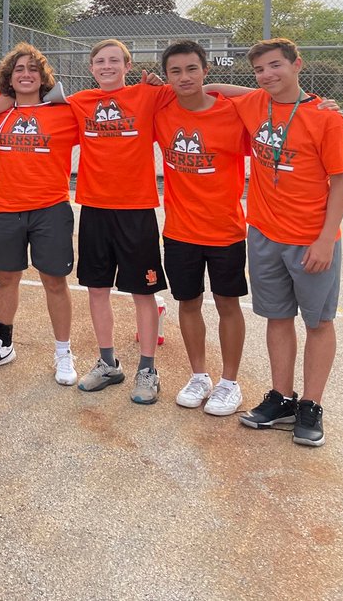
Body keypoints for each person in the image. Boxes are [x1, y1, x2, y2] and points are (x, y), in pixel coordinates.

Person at [233, 38, 343, 447]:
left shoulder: (326, 118)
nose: (268, 75)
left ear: (296, 64)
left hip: (311, 239)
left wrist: (323, 240)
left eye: (275, 66)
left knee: (318, 322)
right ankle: (282, 397)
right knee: (277, 317)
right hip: (264, 233)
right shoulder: (254, 104)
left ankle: (311, 404)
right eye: (260, 70)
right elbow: (219, 91)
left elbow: (340, 185)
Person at [65, 39, 174, 404]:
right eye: (100, 61)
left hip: (136, 210)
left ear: (128, 66)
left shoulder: (147, 95)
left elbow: (195, 93)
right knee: (97, 289)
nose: (107, 66)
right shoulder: (79, 103)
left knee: (142, 292)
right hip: (94, 208)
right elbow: (20, 97)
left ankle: (147, 370)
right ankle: (108, 363)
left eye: (114, 60)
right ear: (91, 68)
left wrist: (160, 84)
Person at [0, 44, 81, 385]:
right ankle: (2, 343)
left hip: (50, 209)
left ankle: (63, 351)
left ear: (43, 77)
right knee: (6, 278)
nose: (26, 74)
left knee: (54, 281)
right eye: (19, 69)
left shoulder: (65, 113)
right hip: (5, 210)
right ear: (9, 77)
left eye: (33, 69)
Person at [154, 41, 249, 416]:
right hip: (179, 230)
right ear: (167, 77)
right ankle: (199, 376)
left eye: (192, 69)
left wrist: (216, 91)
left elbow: (269, 96)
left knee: (228, 303)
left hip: (225, 230)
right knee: (188, 303)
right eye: (175, 71)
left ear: (206, 71)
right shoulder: (162, 113)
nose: (184, 77)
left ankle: (229, 382)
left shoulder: (233, 114)